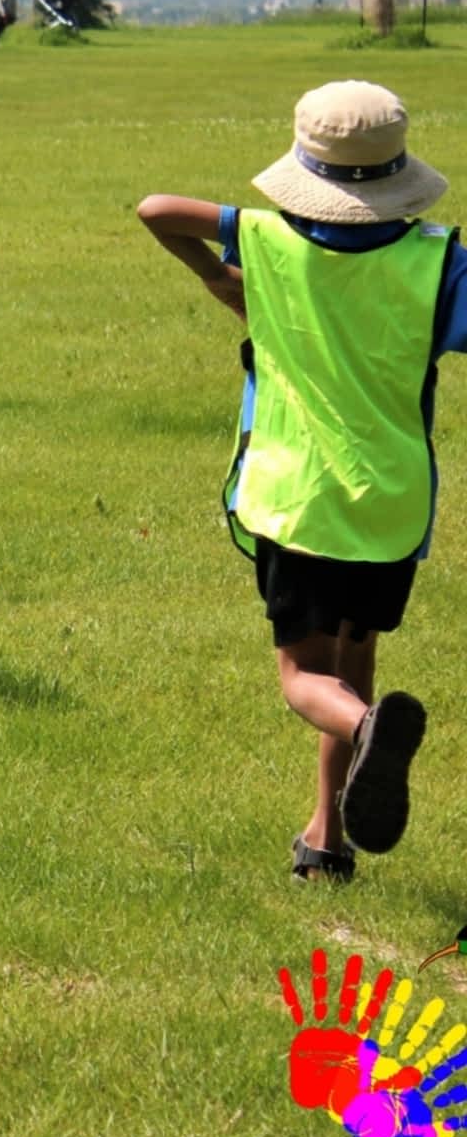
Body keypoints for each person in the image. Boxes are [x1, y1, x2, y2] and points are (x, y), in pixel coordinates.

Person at [139, 80, 458, 883]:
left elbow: (155, 209)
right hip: (388, 506)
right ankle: (327, 841)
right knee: (355, 654)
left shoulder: (266, 243)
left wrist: (222, 275)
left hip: (296, 501)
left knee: (306, 679)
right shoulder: (439, 261)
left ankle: (368, 728)